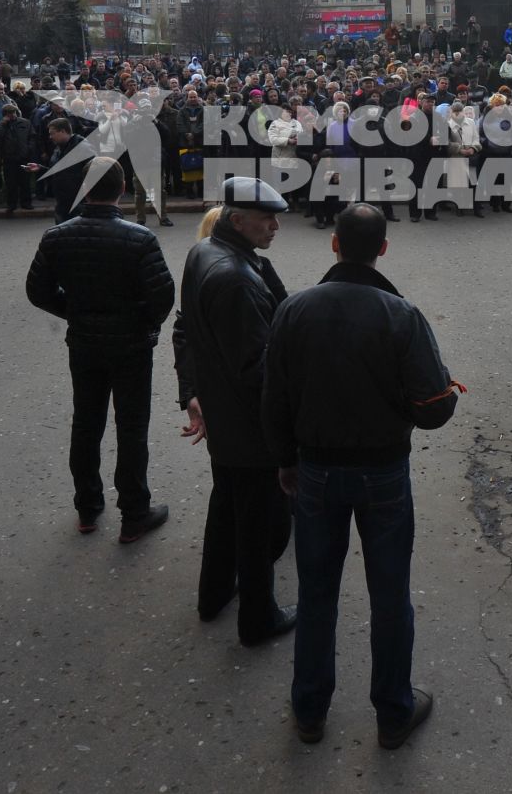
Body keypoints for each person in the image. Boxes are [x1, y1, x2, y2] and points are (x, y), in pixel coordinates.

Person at [261, 203, 462, 748]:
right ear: (383, 249)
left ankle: (309, 710)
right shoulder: (402, 314)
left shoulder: (295, 309)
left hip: (316, 470)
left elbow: (274, 398)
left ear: (333, 244)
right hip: (383, 472)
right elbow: (435, 409)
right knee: (390, 593)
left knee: (317, 591)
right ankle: (393, 712)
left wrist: (285, 460)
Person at [24, 156, 176, 541]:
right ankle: (134, 512)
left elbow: (37, 291)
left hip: (85, 341)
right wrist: (144, 324)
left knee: (86, 424)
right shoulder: (140, 238)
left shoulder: (57, 236)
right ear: (122, 188)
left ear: (85, 189)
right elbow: (161, 297)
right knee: (131, 428)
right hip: (130, 344)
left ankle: (88, 508)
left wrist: (75, 312)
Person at [173, 176, 297, 646]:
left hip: (225, 417)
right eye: (268, 218)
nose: (276, 226)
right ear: (238, 221)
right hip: (250, 425)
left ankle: (215, 593)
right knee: (257, 523)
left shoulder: (207, 252)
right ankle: (258, 618)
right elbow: (258, 369)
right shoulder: (236, 277)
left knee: (226, 509)